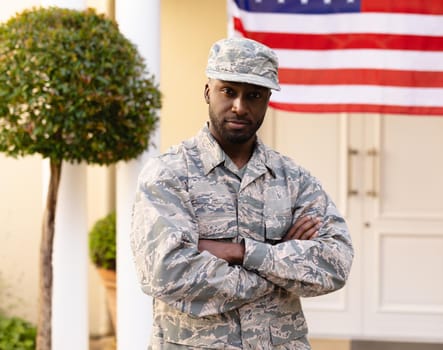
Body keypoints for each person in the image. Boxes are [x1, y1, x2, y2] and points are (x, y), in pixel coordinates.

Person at [131, 37, 354, 349]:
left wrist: (243, 252)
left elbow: (335, 264)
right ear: (208, 91)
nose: (239, 106)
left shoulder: (294, 180)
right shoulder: (168, 175)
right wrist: (278, 265)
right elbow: (166, 273)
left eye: (254, 95)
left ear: (267, 100)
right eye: (228, 91)